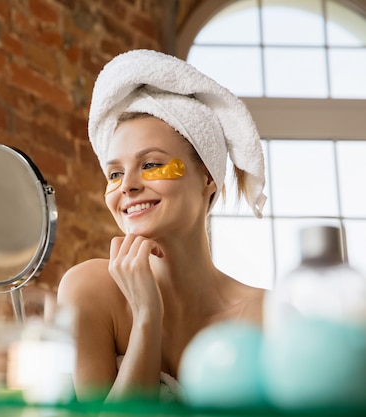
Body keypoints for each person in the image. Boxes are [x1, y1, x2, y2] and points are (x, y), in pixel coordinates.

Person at [57, 49, 268, 403]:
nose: (127, 186)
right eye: (115, 173)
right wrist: (145, 317)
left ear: (207, 177)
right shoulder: (89, 292)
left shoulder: (262, 315)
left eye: (151, 164)